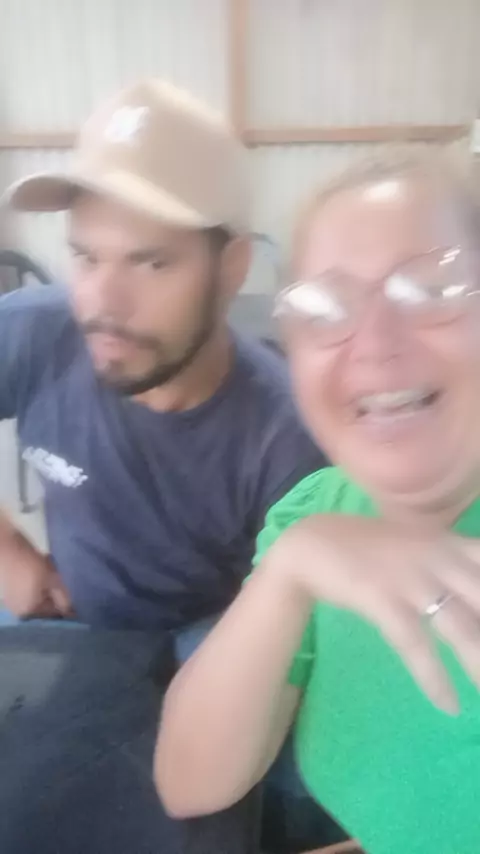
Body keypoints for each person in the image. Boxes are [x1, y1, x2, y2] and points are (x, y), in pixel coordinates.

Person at [156, 147, 480, 854]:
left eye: (431, 289)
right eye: (325, 308)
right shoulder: (315, 517)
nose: (376, 345)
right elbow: (190, 782)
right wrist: (291, 568)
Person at [0, 79, 324, 634]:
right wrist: (7, 550)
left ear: (232, 267)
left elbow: (284, 630)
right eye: (86, 257)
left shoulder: (286, 439)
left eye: (151, 264)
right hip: (62, 612)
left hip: (205, 632)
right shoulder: (35, 331)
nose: (103, 302)